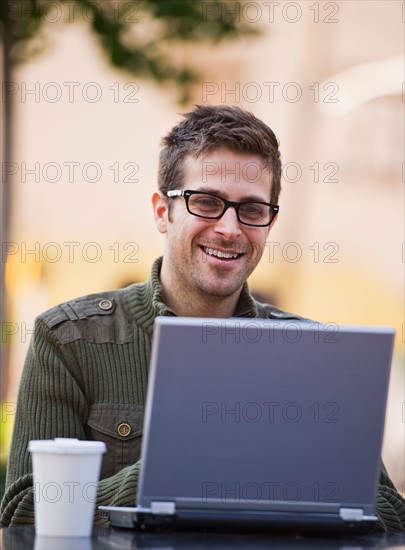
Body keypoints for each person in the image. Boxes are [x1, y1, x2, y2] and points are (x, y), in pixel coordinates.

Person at [1, 105, 404, 532]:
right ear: (163, 211)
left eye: (251, 209)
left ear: (269, 222)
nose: (230, 228)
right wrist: (166, 473)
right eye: (207, 202)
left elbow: (391, 514)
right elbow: (22, 512)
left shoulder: (318, 355)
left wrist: (280, 474)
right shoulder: (69, 340)